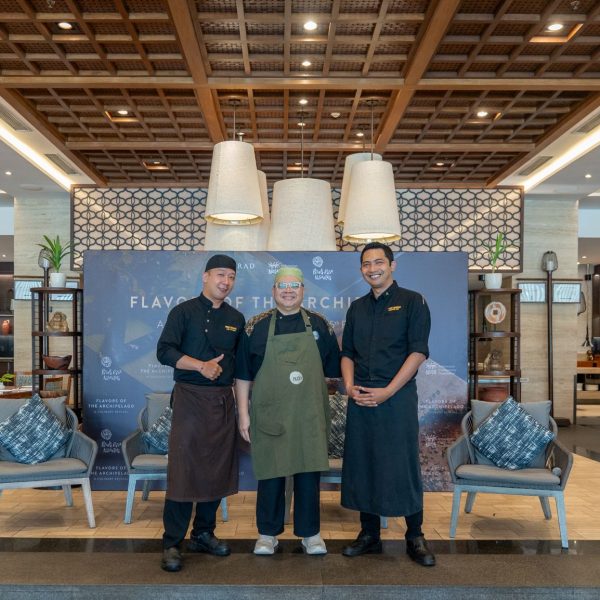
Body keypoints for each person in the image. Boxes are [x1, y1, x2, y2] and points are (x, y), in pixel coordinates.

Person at [340, 242, 435, 567]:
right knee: (364, 462)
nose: (372, 269)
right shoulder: (357, 308)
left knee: (402, 464)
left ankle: (415, 536)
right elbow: (347, 353)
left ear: (392, 265)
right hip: (361, 396)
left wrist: (388, 391)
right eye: (366, 264)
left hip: (397, 398)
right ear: (361, 269)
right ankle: (369, 534)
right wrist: (349, 386)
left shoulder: (413, 301)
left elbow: (418, 352)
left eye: (378, 262)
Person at [235, 266, 341, 556]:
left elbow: (333, 372)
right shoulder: (255, 326)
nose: (288, 291)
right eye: (282, 285)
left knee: (308, 474)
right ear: (273, 290)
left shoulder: (320, 325)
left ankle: (311, 534)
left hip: (308, 415)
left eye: (295, 285)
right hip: (270, 414)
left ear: (303, 290)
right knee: (271, 474)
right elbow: (242, 374)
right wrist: (243, 414)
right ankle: (267, 534)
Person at [156, 254, 245, 572]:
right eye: (220, 274)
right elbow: (164, 351)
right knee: (184, 471)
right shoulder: (183, 312)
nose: (226, 281)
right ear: (206, 276)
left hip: (222, 401)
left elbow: (242, 367)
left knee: (215, 470)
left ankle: (204, 534)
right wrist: (200, 365)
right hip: (189, 399)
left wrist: (243, 409)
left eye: (231, 277)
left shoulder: (236, 318)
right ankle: (172, 542)